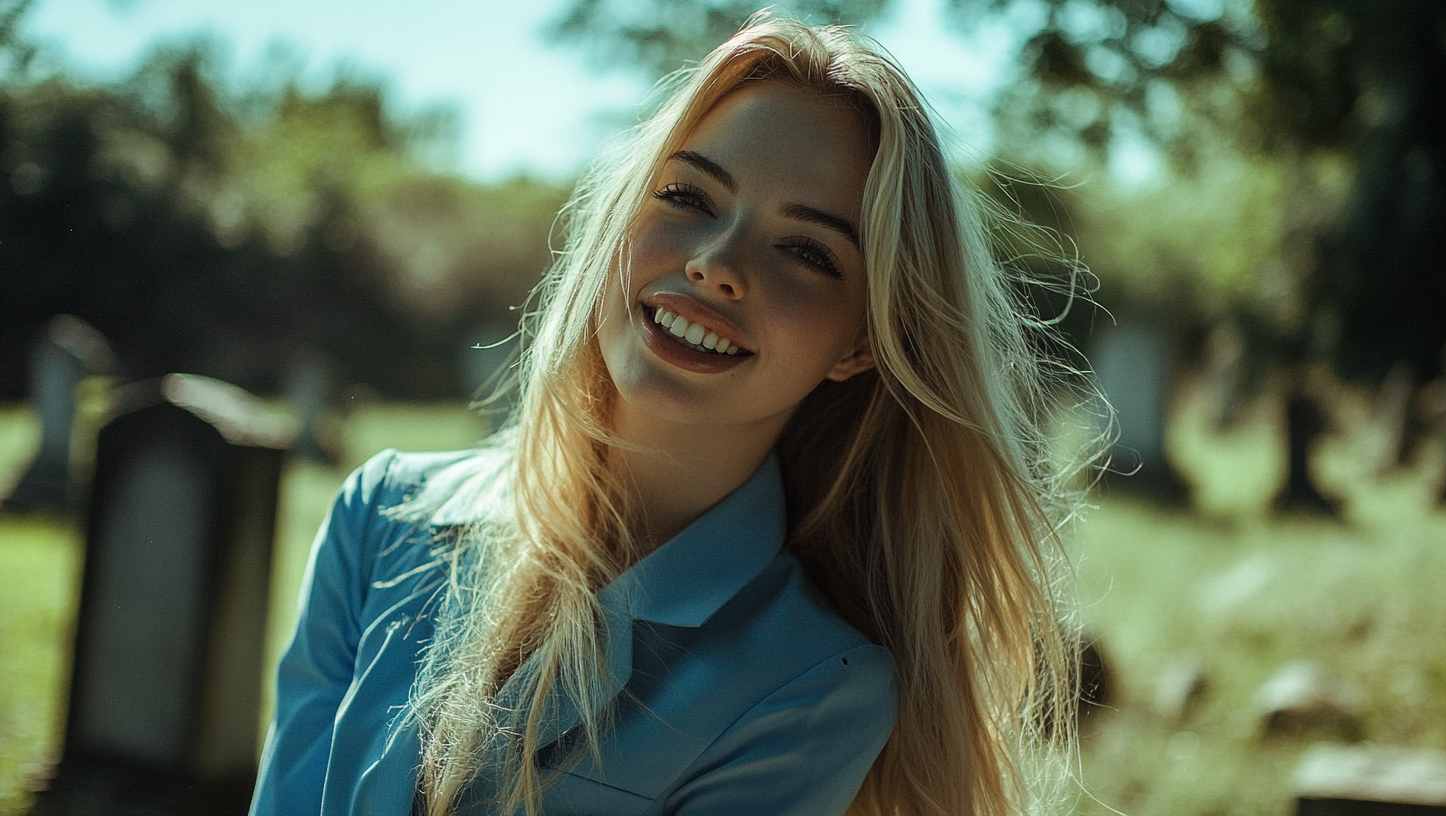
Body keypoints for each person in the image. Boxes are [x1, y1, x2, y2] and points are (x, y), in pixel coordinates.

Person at [250, 12, 1083, 816]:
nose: (717, 266)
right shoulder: (379, 517)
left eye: (805, 251)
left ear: (862, 343)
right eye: (688, 197)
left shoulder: (817, 684)